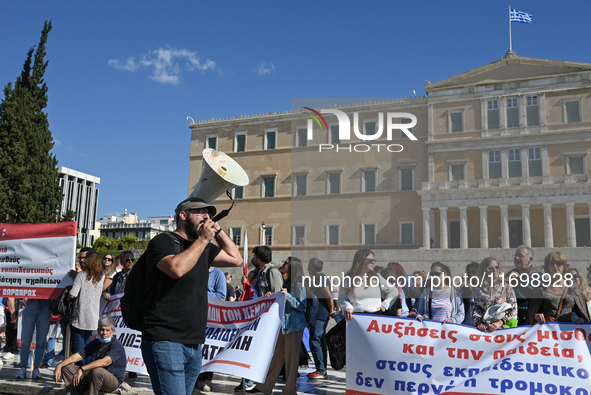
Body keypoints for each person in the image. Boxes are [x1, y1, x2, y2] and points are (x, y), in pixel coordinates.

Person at [140, 197, 242, 395]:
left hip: (194, 342)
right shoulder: (163, 241)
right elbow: (176, 268)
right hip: (165, 339)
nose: (206, 216)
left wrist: (218, 230)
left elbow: (236, 259)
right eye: (200, 212)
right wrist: (204, 239)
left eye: (209, 213)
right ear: (183, 216)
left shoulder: (204, 248)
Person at [248, 257, 307, 395]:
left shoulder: (300, 284)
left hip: (294, 326)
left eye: (286, 263)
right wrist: (273, 295)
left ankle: (290, 390)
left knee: (291, 360)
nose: (283, 264)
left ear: (293, 266)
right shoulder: (287, 282)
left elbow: (302, 305)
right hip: (283, 325)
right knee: (276, 357)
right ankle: (264, 387)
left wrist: (287, 296)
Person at [234, 247, 282, 393]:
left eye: (254, 256)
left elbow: (278, 294)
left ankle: (251, 380)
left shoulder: (272, 272)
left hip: (265, 318)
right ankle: (246, 379)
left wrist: (270, 296)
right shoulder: (259, 273)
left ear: (259, 259)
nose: (253, 259)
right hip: (255, 316)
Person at [54, 316, 127, 395]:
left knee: (97, 371)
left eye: (107, 330)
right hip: (92, 375)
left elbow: (105, 362)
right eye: (102, 330)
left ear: (113, 331)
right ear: (98, 330)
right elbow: (79, 355)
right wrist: (59, 366)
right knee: (67, 368)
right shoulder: (96, 342)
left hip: (112, 380)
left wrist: (82, 369)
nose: (104, 333)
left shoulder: (116, 345)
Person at [527, 252, 590, 324]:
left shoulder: (574, 288)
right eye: (551, 264)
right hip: (546, 331)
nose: (555, 266)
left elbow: (583, 313)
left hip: (568, 331)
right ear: (547, 267)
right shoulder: (540, 288)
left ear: (564, 266)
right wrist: (536, 316)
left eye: (558, 263)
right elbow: (531, 314)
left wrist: (581, 319)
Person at [338, 248, 398, 321]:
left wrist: (385, 304)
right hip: (356, 319)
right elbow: (341, 297)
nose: (373, 263)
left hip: (375, 319)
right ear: (360, 261)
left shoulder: (377, 277)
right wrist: (347, 306)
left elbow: (394, 291)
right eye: (370, 260)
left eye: (374, 260)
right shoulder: (347, 278)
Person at [70, 251, 106, 363]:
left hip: (79, 316)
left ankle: (80, 371)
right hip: (93, 317)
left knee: (78, 347)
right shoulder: (102, 276)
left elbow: (73, 294)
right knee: (87, 347)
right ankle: (86, 371)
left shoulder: (81, 275)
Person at [196, 266, 226, 392]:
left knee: (208, 349)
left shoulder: (218, 274)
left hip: (210, 319)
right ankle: (196, 377)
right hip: (195, 315)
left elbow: (221, 296)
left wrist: (200, 292)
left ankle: (207, 378)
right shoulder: (195, 269)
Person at [306, 258, 335, 380]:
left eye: (308, 267)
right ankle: (322, 368)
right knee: (320, 340)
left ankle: (321, 370)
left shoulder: (320, 278)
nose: (307, 269)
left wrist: (331, 310)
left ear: (313, 268)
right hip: (321, 313)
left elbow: (329, 296)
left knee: (315, 339)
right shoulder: (320, 278)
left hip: (320, 314)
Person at [471, 258, 517, 332]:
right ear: (484, 271)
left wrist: (499, 323)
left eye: (497, 267)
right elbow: (474, 309)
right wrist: (479, 323)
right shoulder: (477, 289)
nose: (495, 270)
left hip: (501, 330)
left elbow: (513, 310)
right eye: (491, 268)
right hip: (483, 331)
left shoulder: (507, 288)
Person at [15, 296, 53, 379]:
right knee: (25, 339)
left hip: (46, 304)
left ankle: (36, 368)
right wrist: (24, 296)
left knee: (41, 341)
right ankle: (23, 367)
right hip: (31, 302)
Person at [506, 245, 541, 326]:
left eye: (520, 256)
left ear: (530, 259)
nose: (517, 258)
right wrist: (506, 279)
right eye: (516, 255)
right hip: (510, 321)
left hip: (527, 322)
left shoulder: (537, 276)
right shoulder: (511, 273)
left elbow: (521, 295)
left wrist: (515, 280)